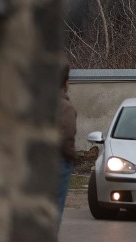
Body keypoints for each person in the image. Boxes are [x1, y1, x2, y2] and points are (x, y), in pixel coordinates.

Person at [57, 63, 77, 232]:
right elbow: (67, 136)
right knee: (55, 209)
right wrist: (72, 156)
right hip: (58, 161)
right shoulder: (65, 106)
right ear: (65, 82)